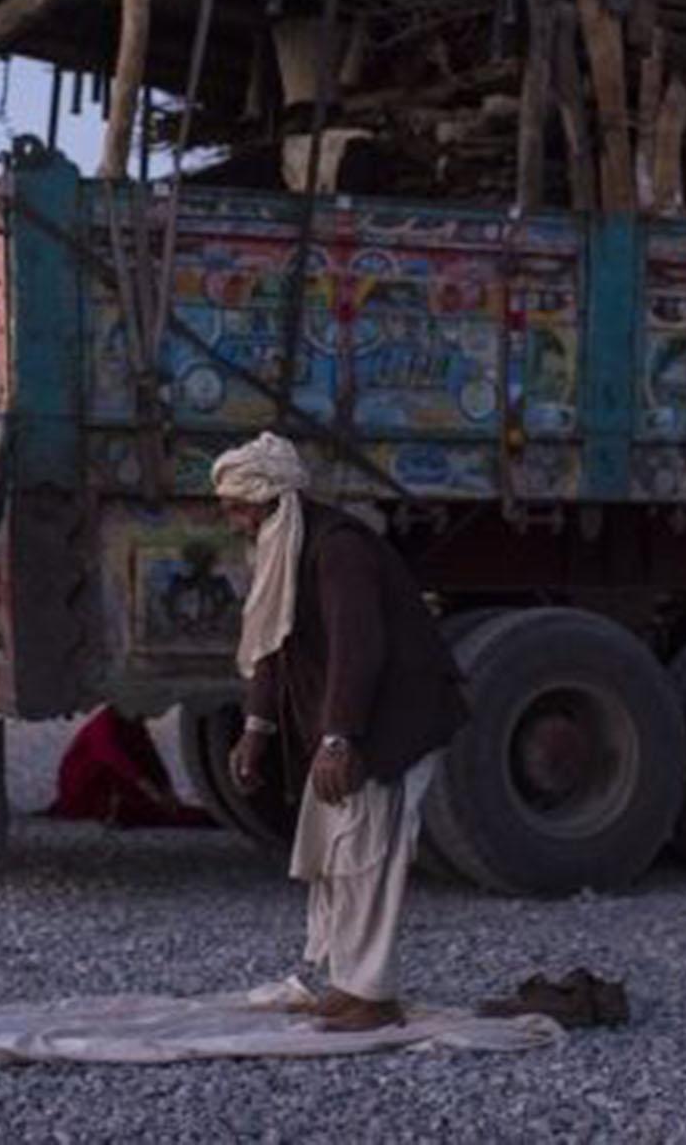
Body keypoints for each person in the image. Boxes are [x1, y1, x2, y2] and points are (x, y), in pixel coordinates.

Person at [216, 432, 466, 1032]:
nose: (233, 521)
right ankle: (348, 981)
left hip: (390, 723)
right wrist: (257, 729)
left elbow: (361, 647)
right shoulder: (284, 548)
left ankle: (373, 992)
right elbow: (272, 648)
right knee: (337, 853)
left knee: (367, 856)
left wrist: (338, 738)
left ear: (268, 499)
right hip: (351, 724)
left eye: (237, 507)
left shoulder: (337, 548)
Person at [46, 705, 215, 829]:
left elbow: (151, 760)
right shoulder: (105, 725)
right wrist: (155, 792)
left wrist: (167, 791)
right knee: (156, 815)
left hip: (117, 788)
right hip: (91, 790)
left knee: (168, 814)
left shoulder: (132, 725)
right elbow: (118, 761)